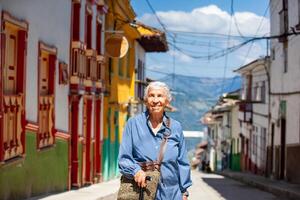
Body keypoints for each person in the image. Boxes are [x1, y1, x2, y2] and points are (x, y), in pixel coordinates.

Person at [118, 81, 192, 200]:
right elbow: (124, 158)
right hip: (142, 192)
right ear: (146, 100)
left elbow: (182, 162)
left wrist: (184, 192)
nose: (155, 100)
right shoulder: (133, 124)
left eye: (160, 96)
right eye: (152, 95)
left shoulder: (176, 127)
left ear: (167, 101)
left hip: (171, 194)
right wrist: (136, 171)